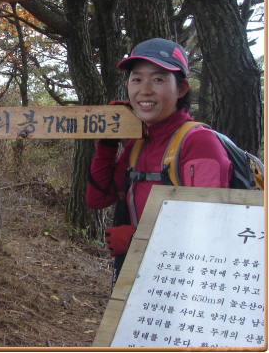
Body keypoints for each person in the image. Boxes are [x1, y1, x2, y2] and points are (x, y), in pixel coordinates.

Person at [86, 38, 232, 289]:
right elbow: (97, 199)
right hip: (143, 281)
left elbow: (209, 231)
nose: (144, 90)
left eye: (158, 79)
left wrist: (136, 239)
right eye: (136, 79)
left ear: (182, 88)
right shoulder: (140, 143)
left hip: (187, 287)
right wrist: (108, 141)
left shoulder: (198, 142)